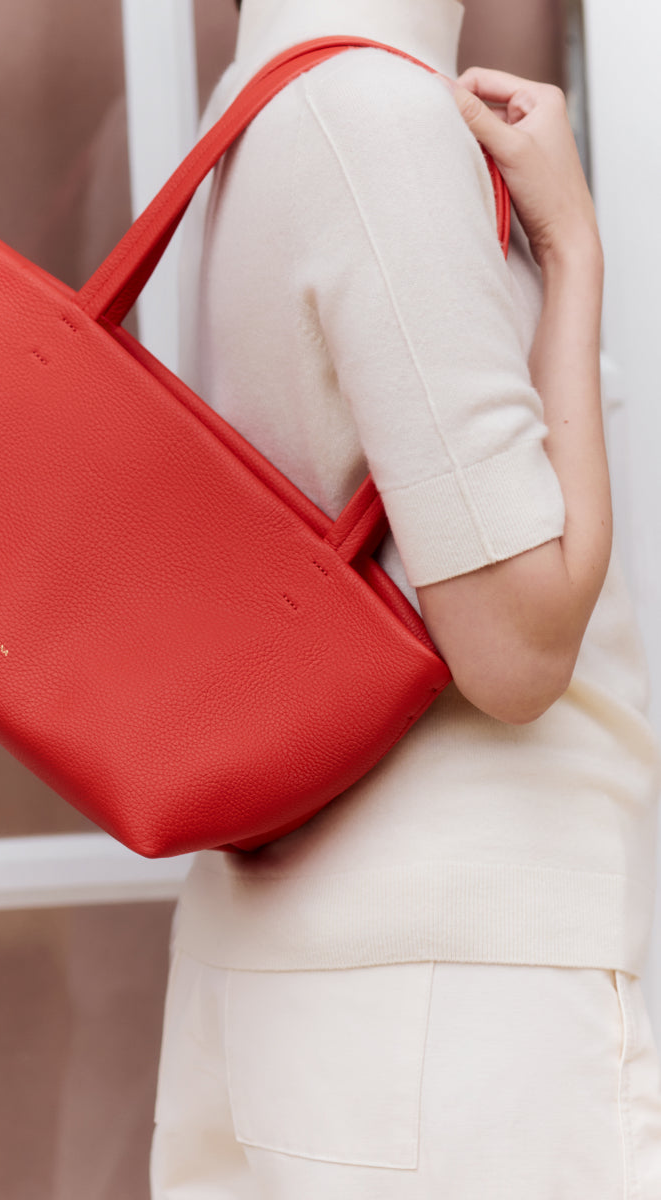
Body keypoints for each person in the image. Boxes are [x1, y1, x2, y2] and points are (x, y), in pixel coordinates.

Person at [151, 0, 661, 1195]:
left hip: (301, 964)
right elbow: (519, 650)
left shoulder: (258, 100)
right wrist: (573, 251)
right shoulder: (375, 118)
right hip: (451, 1008)